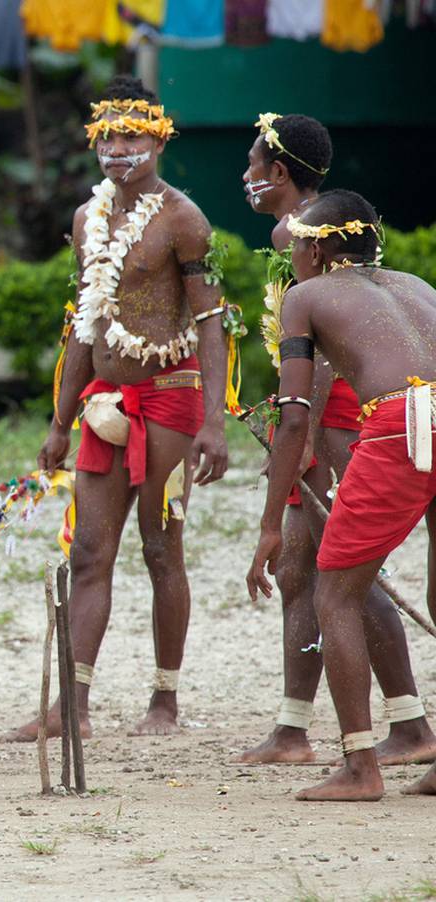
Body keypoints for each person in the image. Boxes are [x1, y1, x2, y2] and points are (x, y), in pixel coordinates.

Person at [0, 75, 229, 742]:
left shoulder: (184, 219)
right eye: (108, 135)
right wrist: (60, 420)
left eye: (132, 135)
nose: (118, 147)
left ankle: (165, 701)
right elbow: (85, 323)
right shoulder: (86, 219)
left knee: (161, 550)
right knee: (90, 554)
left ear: (159, 138)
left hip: (169, 400)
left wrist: (213, 421)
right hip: (105, 402)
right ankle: (72, 705)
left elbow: (213, 322)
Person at [237, 116, 436, 765]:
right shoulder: (415, 286)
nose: (247, 178)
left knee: (337, 580)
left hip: (372, 423)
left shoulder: (309, 279)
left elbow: (309, 391)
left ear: (316, 250)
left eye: (255, 165)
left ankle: (365, 758)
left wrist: (297, 459)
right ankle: (308, 728)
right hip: (401, 417)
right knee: (315, 568)